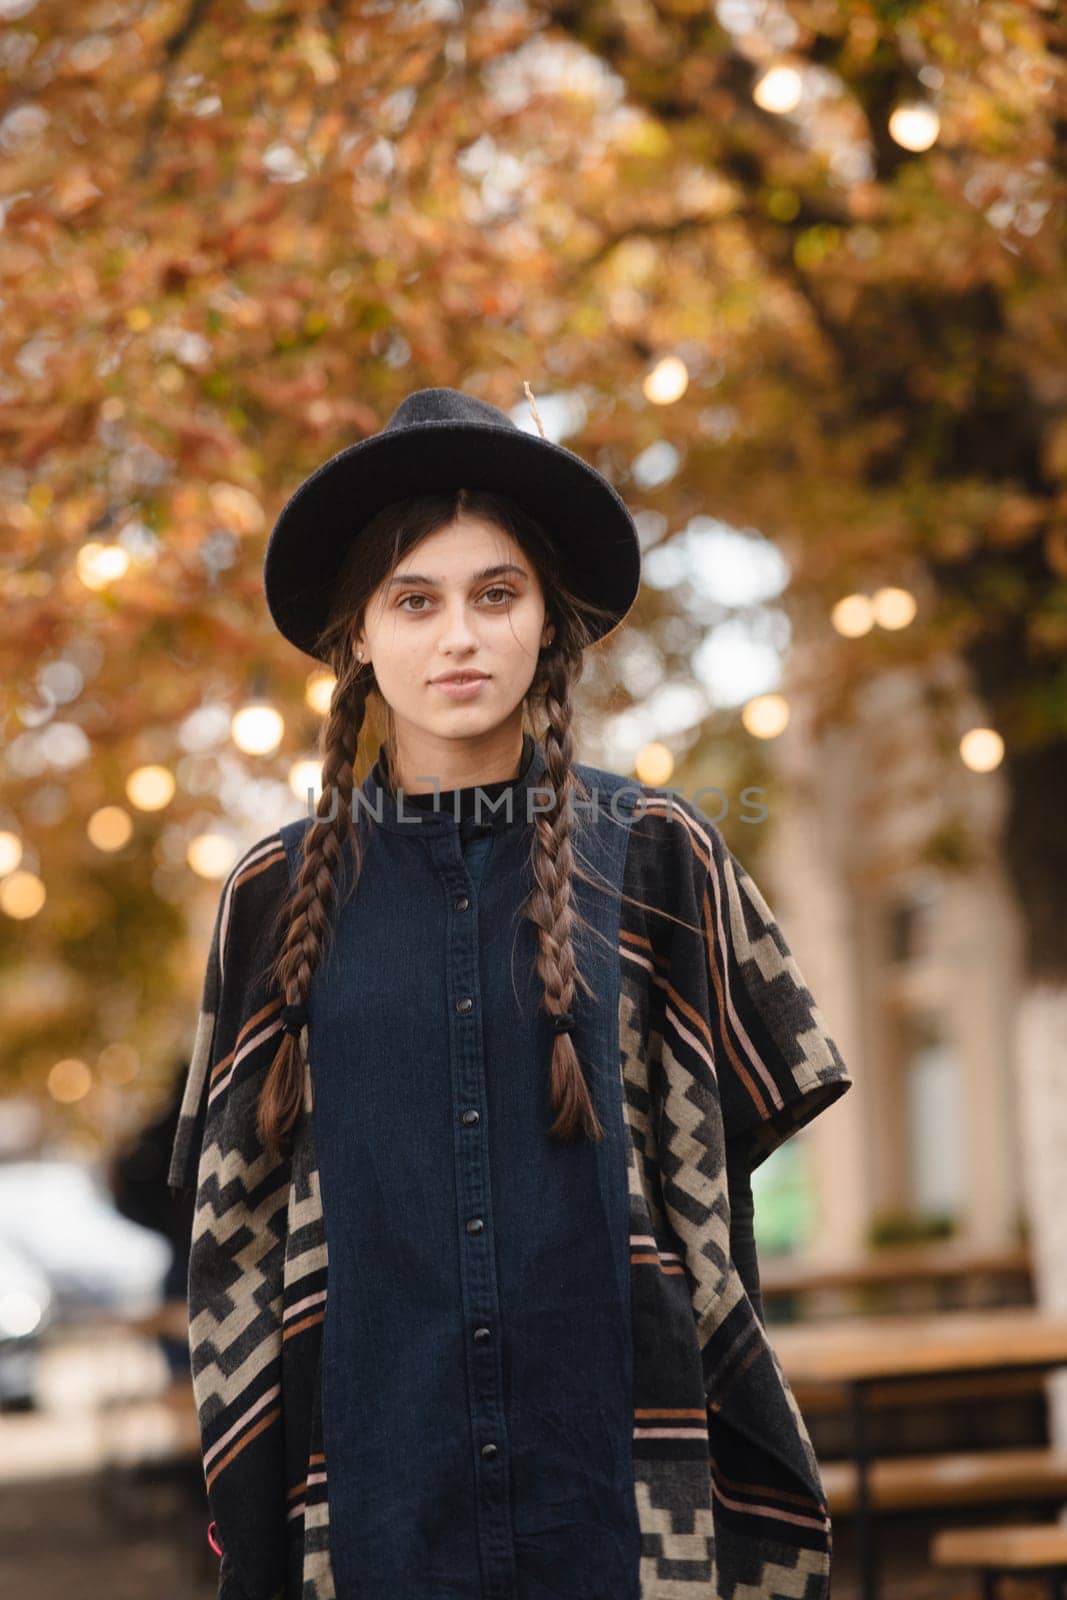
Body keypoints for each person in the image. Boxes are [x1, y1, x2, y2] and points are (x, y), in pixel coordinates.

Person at [168, 386, 852, 1600]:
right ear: (357, 638)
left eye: (496, 594)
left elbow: (713, 1181)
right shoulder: (273, 894)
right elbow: (236, 1230)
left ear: (549, 623)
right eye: (413, 601)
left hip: (621, 1506)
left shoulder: (655, 853)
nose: (459, 638)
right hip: (372, 1502)